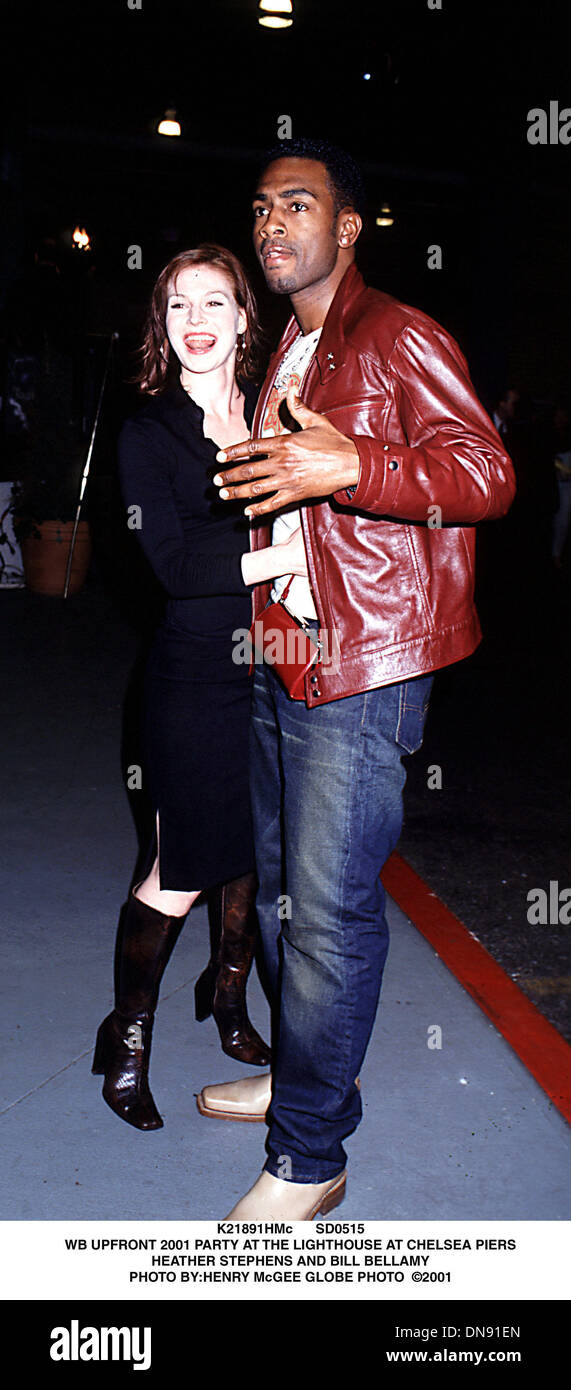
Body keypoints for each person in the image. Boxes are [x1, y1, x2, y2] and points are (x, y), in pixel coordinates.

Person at [196, 140, 517, 1219]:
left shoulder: (394, 334)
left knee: (328, 914)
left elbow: (487, 473)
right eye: (260, 207)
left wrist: (358, 467)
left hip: (362, 664)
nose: (273, 222)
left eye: (299, 204)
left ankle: (310, 1155)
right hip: (284, 648)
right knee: (287, 892)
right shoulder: (291, 346)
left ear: (348, 228)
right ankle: (306, 1073)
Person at [92, 243, 308, 1130]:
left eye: (214, 303)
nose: (196, 322)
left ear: (244, 319)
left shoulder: (274, 421)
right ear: (162, 322)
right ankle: (126, 1043)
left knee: (251, 859)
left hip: (267, 669)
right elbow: (177, 567)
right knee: (176, 870)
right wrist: (285, 554)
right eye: (178, 305)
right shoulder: (149, 433)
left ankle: (226, 999)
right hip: (187, 682)